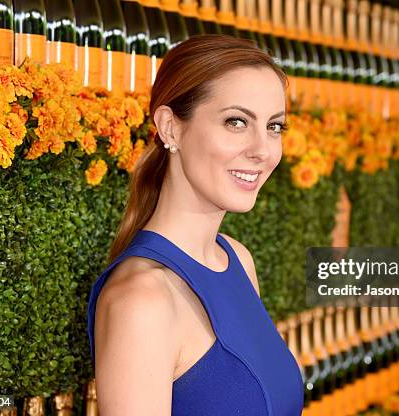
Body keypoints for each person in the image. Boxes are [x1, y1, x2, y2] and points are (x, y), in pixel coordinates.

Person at [86, 34, 304, 415]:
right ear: (170, 127)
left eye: (274, 126)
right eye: (237, 122)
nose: (262, 150)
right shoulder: (142, 300)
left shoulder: (237, 259)